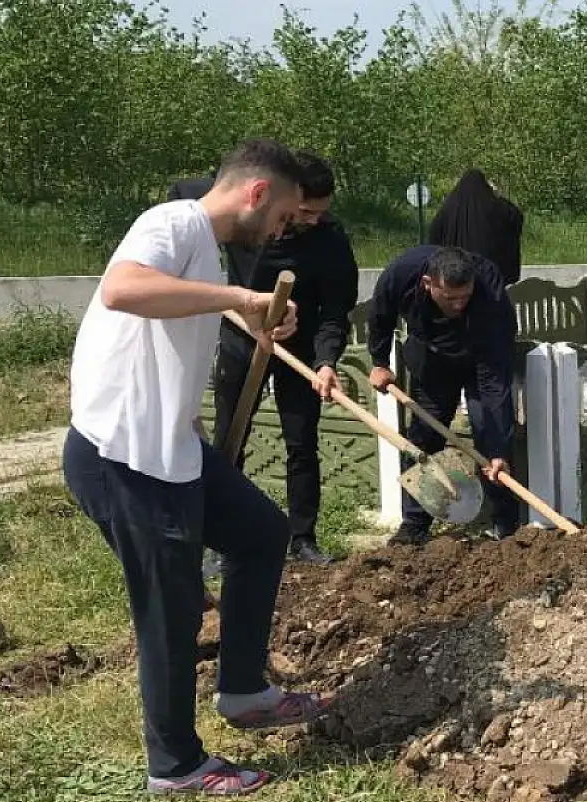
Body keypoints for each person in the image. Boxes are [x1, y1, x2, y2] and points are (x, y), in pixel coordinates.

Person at [63, 139, 330, 796]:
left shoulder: (202, 247)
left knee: (263, 534)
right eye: (285, 216)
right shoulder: (172, 223)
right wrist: (237, 293)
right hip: (123, 456)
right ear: (258, 194)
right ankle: (176, 765)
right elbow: (124, 289)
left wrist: (240, 314)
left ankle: (242, 691)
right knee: (172, 609)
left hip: (171, 446)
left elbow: (164, 333)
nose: (284, 230)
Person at [211, 152, 359, 566]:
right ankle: (225, 540)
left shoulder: (329, 238)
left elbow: (335, 308)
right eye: (305, 212)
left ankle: (302, 539)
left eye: (321, 213)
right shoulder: (249, 221)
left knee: (302, 441)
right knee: (231, 438)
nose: (312, 220)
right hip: (242, 336)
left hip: (300, 344)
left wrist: (326, 361)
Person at [367, 245, 522, 546]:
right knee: (423, 438)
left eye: (465, 296)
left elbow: (494, 383)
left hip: (482, 361)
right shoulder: (402, 273)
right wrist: (379, 362)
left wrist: (499, 449)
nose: (459, 304)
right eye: (450, 298)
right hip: (433, 357)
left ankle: (506, 524)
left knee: (490, 439)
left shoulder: (490, 293)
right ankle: (414, 524)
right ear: (428, 283)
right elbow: (380, 313)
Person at [429, 168, 525, 286]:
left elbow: (434, 238)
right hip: (490, 277)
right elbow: (515, 218)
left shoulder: (448, 208)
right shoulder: (495, 206)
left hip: (456, 277)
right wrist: (497, 195)